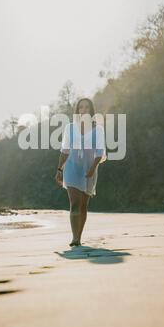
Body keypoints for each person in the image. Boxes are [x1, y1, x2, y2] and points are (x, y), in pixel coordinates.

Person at [55, 98, 107, 247]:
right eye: (81, 107)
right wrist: (59, 169)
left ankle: (79, 235)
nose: (83, 110)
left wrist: (92, 169)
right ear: (77, 111)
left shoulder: (98, 129)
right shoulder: (70, 128)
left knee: (83, 205)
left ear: (91, 111)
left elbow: (99, 152)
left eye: (87, 107)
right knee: (74, 203)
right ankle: (74, 238)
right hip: (72, 168)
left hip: (89, 169)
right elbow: (65, 151)